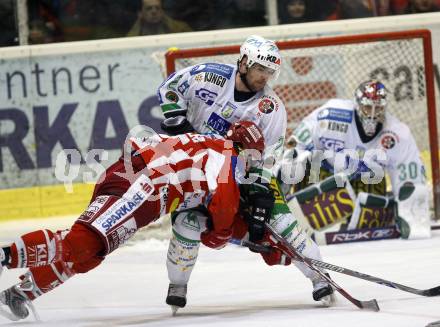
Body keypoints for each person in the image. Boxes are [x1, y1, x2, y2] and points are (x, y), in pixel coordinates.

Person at [0, 121, 265, 321]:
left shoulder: (209, 145)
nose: (252, 166)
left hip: (136, 185)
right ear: (241, 147)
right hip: (141, 187)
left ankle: (19, 294)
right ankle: (4, 257)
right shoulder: (227, 156)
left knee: (89, 254)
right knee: (81, 243)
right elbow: (225, 205)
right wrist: (220, 234)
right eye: (252, 157)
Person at [158, 35, 334, 313]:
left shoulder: (271, 107)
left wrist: (259, 187)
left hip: (244, 176)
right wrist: (176, 119)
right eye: (259, 69)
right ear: (243, 62)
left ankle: (319, 277)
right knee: (186, 225)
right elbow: (170, 88)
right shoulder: (209, 76)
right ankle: (177, 284)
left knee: (285, 223)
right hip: (197, 173)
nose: (264, 77)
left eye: (269, 71)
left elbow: (272, 153)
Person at [280, 80, 430, 240]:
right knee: (306, 165)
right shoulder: (332, 114)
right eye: (367, 107)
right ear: (357, 105)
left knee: (371, 197)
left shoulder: (397, 134)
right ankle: (294, 217)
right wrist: (282, 188)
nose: (373, 114)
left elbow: (410, 178)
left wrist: (410, 214)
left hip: (365, 181)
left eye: (378, 108)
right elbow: (296, 146)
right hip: (325, 177)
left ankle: (355, 218)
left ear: (385, 107)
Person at [127, 0, 191, 37]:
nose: (154, 12)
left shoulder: (181, 29)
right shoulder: (132, 37)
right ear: (140, 13)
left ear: (162, 12)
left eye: (157, 8)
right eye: (149, 8)